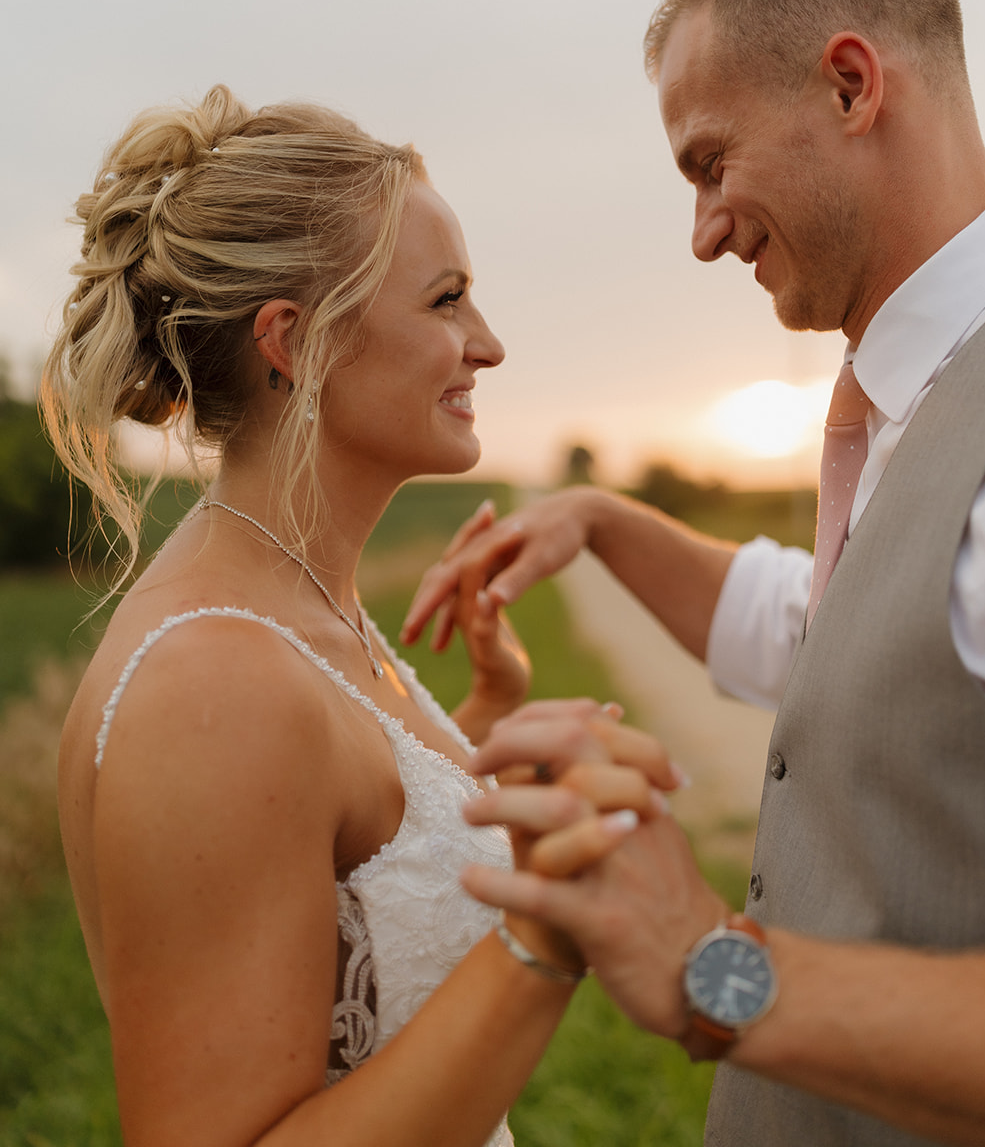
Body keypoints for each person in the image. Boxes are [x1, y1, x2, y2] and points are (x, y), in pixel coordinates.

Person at [403, 0, 985, 1145]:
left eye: (710, 163)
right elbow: (847, 644)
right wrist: (600, 519)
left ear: (851, 85)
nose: (703, 231)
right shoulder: (916, 400)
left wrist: (711, 960)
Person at [43, 85, 674, 1147]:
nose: (488, 343)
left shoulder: (292, 607)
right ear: (295, 341)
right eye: (445, 299)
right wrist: (543, 936)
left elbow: (350, 877)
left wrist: (485, 725)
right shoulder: (212, 682)